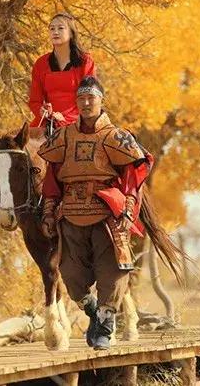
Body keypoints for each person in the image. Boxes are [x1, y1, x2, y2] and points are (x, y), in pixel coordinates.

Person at [37, 76, 150, 349]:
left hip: (105, 212)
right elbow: (52, 177)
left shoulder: (116, 136)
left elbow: (133, 175)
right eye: (81, 99)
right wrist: (49, 210)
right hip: (71, 212)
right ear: (77, 102)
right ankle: (93, 312)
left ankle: (105, 323)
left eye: (91, 98)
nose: (86, 103)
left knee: (112, 270)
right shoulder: (63, 136)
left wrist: (129, 206)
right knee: (70, 273)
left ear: (101, 100)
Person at [28, 12, 96, 139]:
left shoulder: (85, 61)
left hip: (78, 121)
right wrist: (41, 111)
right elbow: (34, 100)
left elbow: (89, 98)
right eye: (52, 28)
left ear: (71, 33)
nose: (55, 32)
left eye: (60, 28)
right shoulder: (41, 63)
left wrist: (65, 118)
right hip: (47, 122)